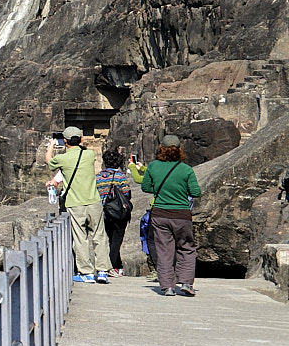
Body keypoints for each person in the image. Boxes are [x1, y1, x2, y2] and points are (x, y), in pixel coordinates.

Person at [141, 135, 203, 297]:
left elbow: (145, 187)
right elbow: (195, 192)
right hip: (181, 215)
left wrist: (161, 190)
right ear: (179, 149)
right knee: (186, 247)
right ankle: (187, 283)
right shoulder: (186, 169)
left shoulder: (153, 166)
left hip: (160, 213)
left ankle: (168, 286)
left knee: (164, 250)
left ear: (161, 148)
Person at [48, 126, 109, 283]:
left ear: (66, 141)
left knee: (80, 238)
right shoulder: (89, 155)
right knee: (99, 236)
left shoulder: (63, 158)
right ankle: (102, 271)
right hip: (94, 201)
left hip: (75, 203)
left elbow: (49, 161)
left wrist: (51, 147)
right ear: (81, 139)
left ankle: (87, 272)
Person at [96, 143, 138, 276]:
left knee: (110, 238)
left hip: (104, 212)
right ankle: (111, 266)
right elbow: (126, 193)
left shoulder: (98, 177)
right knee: (117, 239)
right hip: (118, 212)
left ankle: (117, 266)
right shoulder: (120, 176)